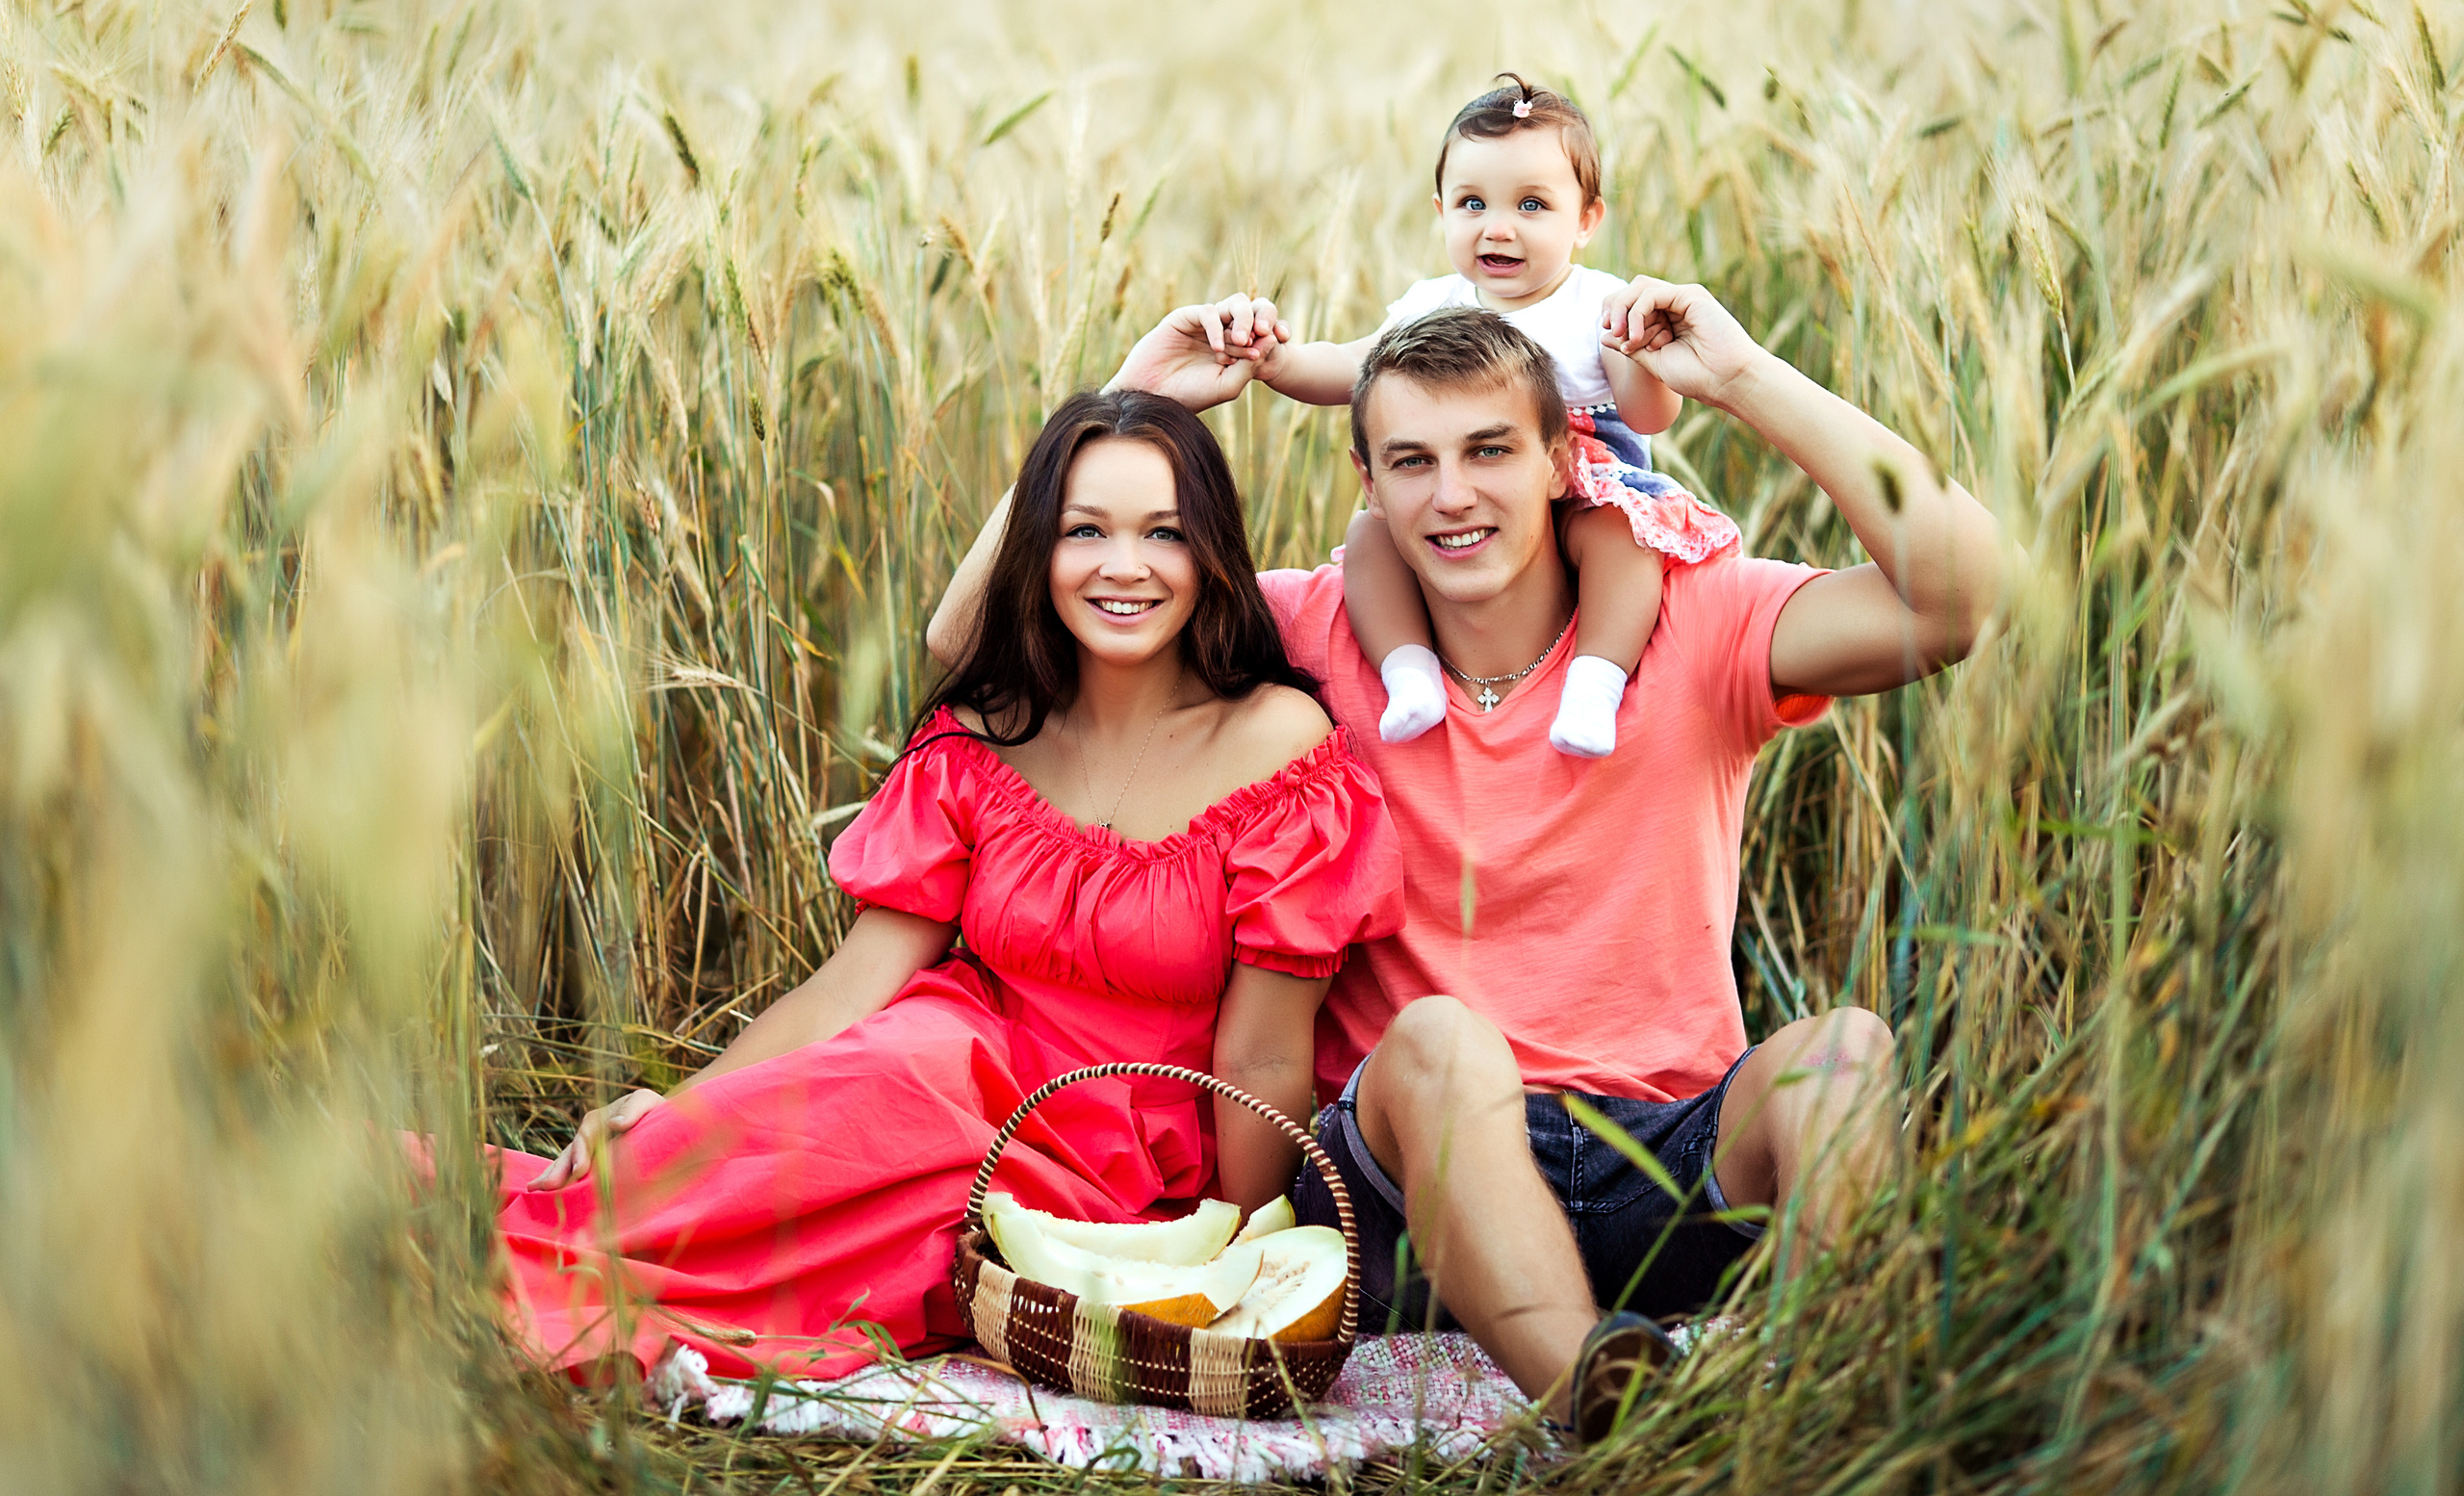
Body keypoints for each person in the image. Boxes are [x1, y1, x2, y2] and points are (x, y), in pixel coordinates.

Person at [929, 283, 2005, 1442]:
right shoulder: (1312, 635)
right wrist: (1130, 395)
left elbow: (1955, 603)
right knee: (1441, 1040)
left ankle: (1842, 1407)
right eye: (1411, 461)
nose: (1451, 496)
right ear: (1368, 486)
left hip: (1662, 1152)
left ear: (1558, 458)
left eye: (1489, 450)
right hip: (1399, 1183)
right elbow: (975, 645)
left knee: (1842, 1052)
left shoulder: (1693, 623)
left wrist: (1742, 378)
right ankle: (1613, 1405)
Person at [495, 391, 1402, 1384]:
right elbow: (852, 986)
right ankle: (513, 1259)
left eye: (1164, 534)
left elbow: (1265, 1052)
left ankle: (542, 1287)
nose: (1123, 566)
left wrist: (1232, 1255)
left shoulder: (1274, 742)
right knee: (816, 1121)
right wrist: (680, 1108)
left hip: (1105, 1161)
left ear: (1212, 554)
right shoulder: (985, 732)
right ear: (1036, 552)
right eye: (1083, 531)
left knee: (870, 1231)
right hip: (937, 1065)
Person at [1178, 74, 1740, 759]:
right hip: (1472, 492)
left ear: (1587, 219)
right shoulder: (1431, 302)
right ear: (1441, 210)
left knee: (1624, 543)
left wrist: (1643, 348)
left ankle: (1596, 681)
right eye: (1473, 203)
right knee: (1370, 538)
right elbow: (1350, 366)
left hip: (1589, 482)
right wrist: (1274, 360)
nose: (1496, 227)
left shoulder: (1601, 303)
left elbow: (1647, 416)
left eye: (1532, 204)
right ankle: (1408, 673)